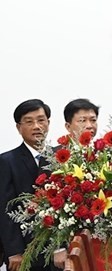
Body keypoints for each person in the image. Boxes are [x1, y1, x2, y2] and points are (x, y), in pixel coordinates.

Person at [0, 99, 58, 271]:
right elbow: (4, 210)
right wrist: (14, 252)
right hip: (24, 253)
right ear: (19, 127)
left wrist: (62, 247)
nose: (37, 126)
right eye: (29, 121)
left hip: (58, 253)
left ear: (48, 123)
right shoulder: (7, 161)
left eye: (41, 120)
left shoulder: (61, 158)